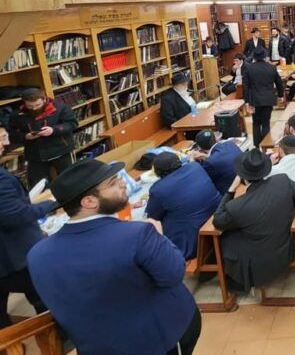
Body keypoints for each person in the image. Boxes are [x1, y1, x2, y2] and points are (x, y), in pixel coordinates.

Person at [28, 159, 201, 355]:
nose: (123, 183)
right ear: (89, 202)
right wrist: (160, 238)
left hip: (97, 346)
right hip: (158, 338)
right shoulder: (138, 234)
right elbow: (174, 273)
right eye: (112, 183)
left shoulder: (36, 255)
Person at [213, 149, 295, 292]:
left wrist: (231, 190)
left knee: (226, 238)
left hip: (263, 264)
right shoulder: (282, 180)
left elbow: (217, 220)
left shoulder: (237, 206)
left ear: (241, 176)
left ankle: (239, 280)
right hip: (288, 249)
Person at [0, 124, 57, 330]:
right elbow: (14, 216)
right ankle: (58, 337)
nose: (6, 143)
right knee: (45, 298)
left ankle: (10, 343)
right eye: (1, 138)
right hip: (14, 258)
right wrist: (50, 205)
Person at [145, 152, 221, 259]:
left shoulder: (158, 189)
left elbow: (152, 218)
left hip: (192, 242)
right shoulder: (195, 167)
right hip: (217, 218)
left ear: (157, 172)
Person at [8, 88, 78, 188]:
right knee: (38, 186)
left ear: (44, 99)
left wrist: (53, 130)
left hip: (61, 150)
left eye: (37, 105)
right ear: (24, 103)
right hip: (35, 155)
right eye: (30, 106)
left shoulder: (60, 107)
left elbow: (72, 124)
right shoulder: (16, 115)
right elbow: (11, 135)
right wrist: (25, 136)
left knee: (70, 180)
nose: (34, 109)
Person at [242, 47, 285, 149]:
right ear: (265, 56)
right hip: (268, 99)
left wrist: (247, 101)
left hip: (254, 99)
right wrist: (280, 95)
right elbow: (279, 83)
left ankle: (257, 147)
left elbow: (245, 86)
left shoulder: (249, 68)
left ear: (254, 57)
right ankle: (266, 147)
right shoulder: (272, 67)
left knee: (256, 123)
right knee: (266, 123)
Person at [190, 129, 242, 195]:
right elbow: (221, 158)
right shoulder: (229, 144)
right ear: (216, 139)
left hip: (228, 194)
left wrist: (191, 160)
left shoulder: (210, 163)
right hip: (243, 183)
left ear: (199, 147)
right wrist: (206, 156)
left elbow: (198, 178)